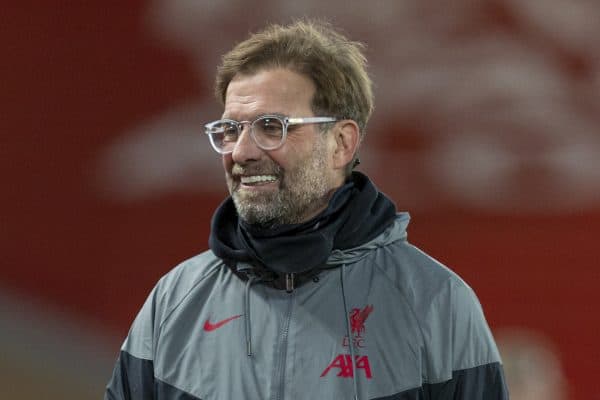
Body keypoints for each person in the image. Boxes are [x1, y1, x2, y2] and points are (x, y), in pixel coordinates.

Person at [105, 19, 508, 400]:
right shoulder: (174, 300)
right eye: (230, 130)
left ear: (341, 143)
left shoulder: (436, 303)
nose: (242, 152)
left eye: (271, 127)